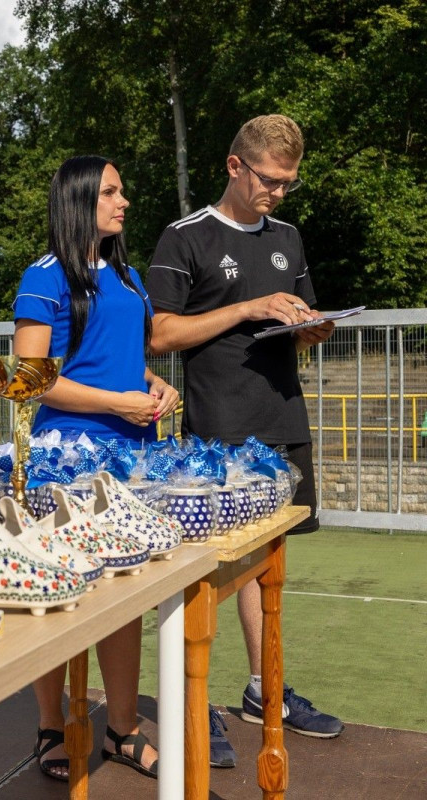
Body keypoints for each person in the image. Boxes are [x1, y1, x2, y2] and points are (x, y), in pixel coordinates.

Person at [146, 114, 344, 768]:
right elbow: (159, 335)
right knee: (211, 571)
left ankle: (266, 691)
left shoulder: (289, 236)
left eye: (288, 183)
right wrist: (247, 307)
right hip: (218, 432)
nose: (278, 194)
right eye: (269, 180)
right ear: (236, 166)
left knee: (270, 568)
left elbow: (301, 314)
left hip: (282, 421)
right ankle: (188, 696)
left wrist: (312, 329)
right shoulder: (186, 238)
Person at [13, 155, 179, 781]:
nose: (124, 200)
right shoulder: (44, 275)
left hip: (132, 462)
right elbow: (32, 380)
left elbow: (118, 361)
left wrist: (156, 386)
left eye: (122, 188)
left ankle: (122, 729)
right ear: (80, 199)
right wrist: (116, 403)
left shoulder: (130, 277)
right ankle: (50, 727)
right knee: (57, 596)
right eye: (112, 190)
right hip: (68, 465)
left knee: (126, 600)